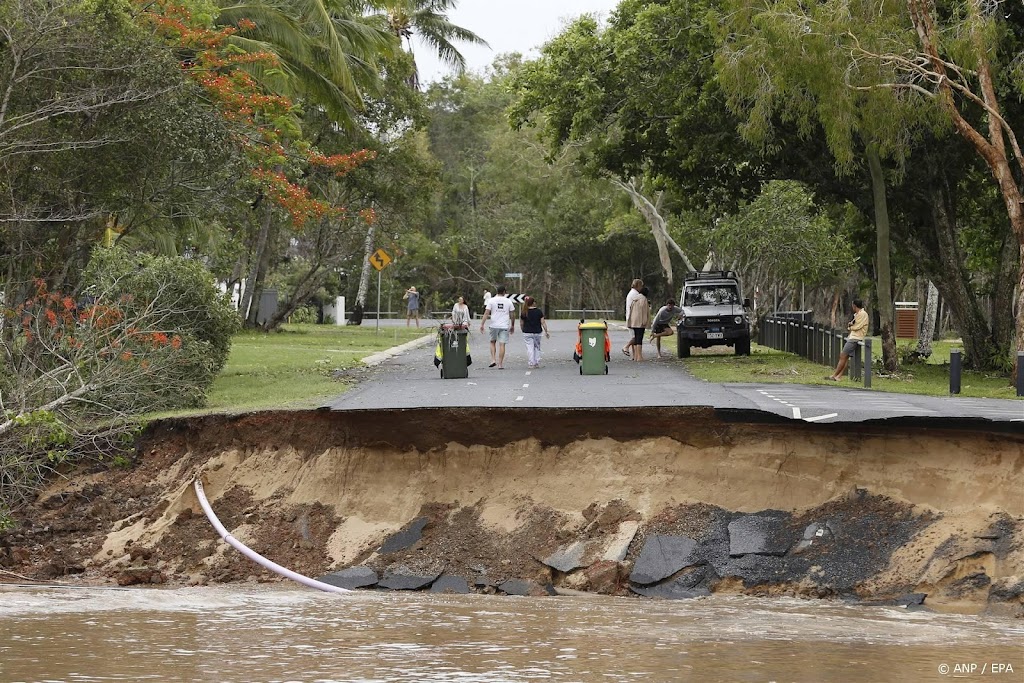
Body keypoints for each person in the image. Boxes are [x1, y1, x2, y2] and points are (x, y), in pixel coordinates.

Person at [829, 299, 869, 381]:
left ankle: (835, 375)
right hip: (853, 336)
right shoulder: (857, 314)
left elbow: (858, 326)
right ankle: (838, 376)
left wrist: (850, 327)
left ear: (854, 305)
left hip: (855, 338)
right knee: (845, 357)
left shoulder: (862, 314)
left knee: (843, 355)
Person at [480, 285, 515, 369]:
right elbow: (512, 314)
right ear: (504, 292)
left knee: (492, 342)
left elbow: (486, 313)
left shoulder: (491, 300)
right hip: (504, 325)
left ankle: (493, 360)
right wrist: (512, 325)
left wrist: (482, 324)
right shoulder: (508, 301)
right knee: (502, 344)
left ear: (497, 291)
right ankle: (500, 364)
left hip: (494, 325)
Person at [519, 296, 549, 368]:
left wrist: (523, 329)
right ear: (533, 303)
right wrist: (546, 331)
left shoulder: (524, 312)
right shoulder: (538, 311)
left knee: (529, 347)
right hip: (537, 332)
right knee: (537, 347)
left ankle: (531, 362)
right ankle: (536, 362)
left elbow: (521, 323)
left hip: (527, 332)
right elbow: (543, 322)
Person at [625, 285, 650, 361]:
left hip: (634, 321)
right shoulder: (643, 299)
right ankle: (639, 356)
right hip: (640, 321)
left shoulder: (635, 298)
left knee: (636, 337)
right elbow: (644, 311)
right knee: (639, 338)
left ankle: (636, 356)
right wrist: (645, 321)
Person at [622, 279, 644, 358]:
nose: (641, 288)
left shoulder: (632, 293)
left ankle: (635, 355)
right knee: (636, 337)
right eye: (641, 286)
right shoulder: (635, 294)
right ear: (638, 285)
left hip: (630, 316)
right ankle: (626, 346)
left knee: (633, 336)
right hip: (633, 318)